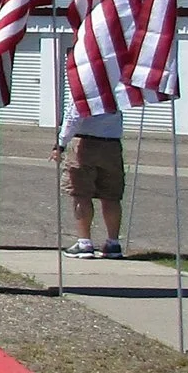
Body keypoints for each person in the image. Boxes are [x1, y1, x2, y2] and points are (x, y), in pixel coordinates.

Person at [54, 100, 126, 258]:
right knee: (111, 196)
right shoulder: (115, 90)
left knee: (81, 194)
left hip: (84, 142)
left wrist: (60, 144)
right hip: (112, 144)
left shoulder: (82, 88)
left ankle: (84, 243)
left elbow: (73, 116)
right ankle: (113, 243)